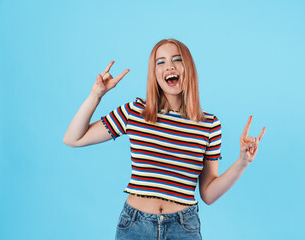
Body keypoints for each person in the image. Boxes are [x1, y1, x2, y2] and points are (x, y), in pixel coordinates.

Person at [63, 39, 265, 240]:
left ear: (188, 68)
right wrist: (96, 95)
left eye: (177, 59)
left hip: (183, 228)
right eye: (160, 62)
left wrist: (242, 163)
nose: (169, 66)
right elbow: (73, 138)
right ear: (155, 74)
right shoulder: (135, 112)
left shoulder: (209, 125)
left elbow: (209, 194)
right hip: (135, 226)